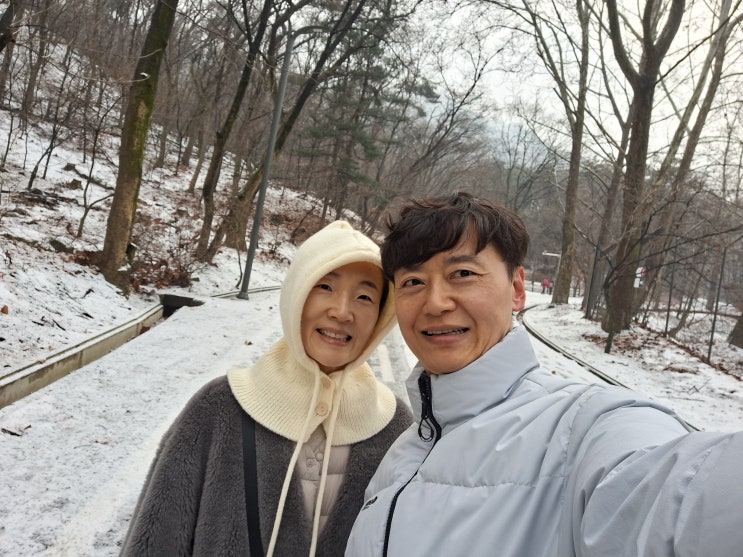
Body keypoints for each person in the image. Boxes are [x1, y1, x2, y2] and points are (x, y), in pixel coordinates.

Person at [345, 192, 743, 557]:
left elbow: (674, 504)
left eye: (462, 273)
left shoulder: (585, 429)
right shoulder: (402, 454)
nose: (435, 303)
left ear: (517, 289)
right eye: (413, 282)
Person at [121, 221, 412, 557]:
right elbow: (156, 536)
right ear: (296, 295)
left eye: (364, 297)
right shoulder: (218, 407)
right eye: (325, 287)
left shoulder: (396, 427)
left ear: (381, 315)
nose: (342, 311)